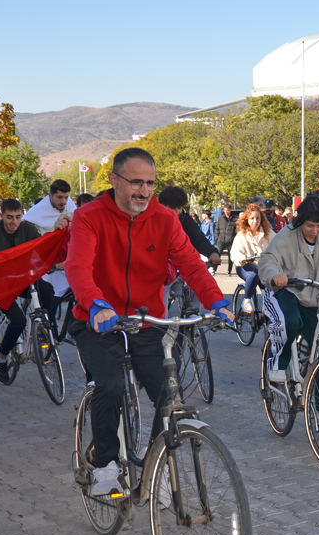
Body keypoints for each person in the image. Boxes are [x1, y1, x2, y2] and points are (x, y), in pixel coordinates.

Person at [64, 147, 231, 497]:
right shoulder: (88, 217)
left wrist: (216, 301)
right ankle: (105, 465)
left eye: (150, 184)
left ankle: (159, 462)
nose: (143, 191)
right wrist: (96, 304)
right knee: (108, 385)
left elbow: (191, 263)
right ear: (114, 180)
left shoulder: (165, 219)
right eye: (135, 182)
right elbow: (77, 266)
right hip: (99, 321)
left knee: (169, 396)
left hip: (145, 319)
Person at [258, 194, 319, 441]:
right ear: (300, 221)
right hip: (289, 293)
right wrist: (275, 275)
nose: (314, 230)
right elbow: (268, 260)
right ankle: (278, 365)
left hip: (316, 300)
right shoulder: (286, 236)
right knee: (289, 321)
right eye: (309, 225)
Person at [0, 198, 63, 383]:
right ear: (1, 215)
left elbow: (41, 251)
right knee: (18, 321)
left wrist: (51, 263)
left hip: (22, 280)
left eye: (17, 217)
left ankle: (42, 326)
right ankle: (0, 358)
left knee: (47, 289)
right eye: (9, 217)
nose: (13, 222)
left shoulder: (28, 230)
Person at [25, 180, 76, 320]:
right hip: (46, 264)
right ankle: (46, 330)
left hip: (66, 261)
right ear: (50, 196)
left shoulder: (71, 208)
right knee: (51, 301)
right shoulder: (35, 214)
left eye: (66, 197)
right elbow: (30, 238)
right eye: (59, 197)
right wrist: (53, 229)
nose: (63, 201)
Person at [231, 203, 274, 313]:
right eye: (252, 218)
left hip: (263, 267)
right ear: (247, 220)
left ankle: (267, 306)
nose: (255, 221)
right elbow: (235, 252)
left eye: (257, 218)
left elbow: (279, 245)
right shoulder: (241, 235)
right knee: (255, 273)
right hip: (245, 266)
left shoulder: (268, 234)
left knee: (270, 285)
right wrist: (241, 258)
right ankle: (246, 300)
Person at [215, 202, 239, 274]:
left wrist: (234, 239)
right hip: (221, 240)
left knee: (230, 256)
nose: (226, 211)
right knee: (217, 255)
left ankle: (229, 270)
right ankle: (214, 269)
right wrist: (217, 237)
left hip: (230, 240)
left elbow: (237, 230)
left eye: (227, 210)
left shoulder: (235, 219)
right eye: (225, 210)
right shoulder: (220, 219)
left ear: (230, 210)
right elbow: (217, 229)